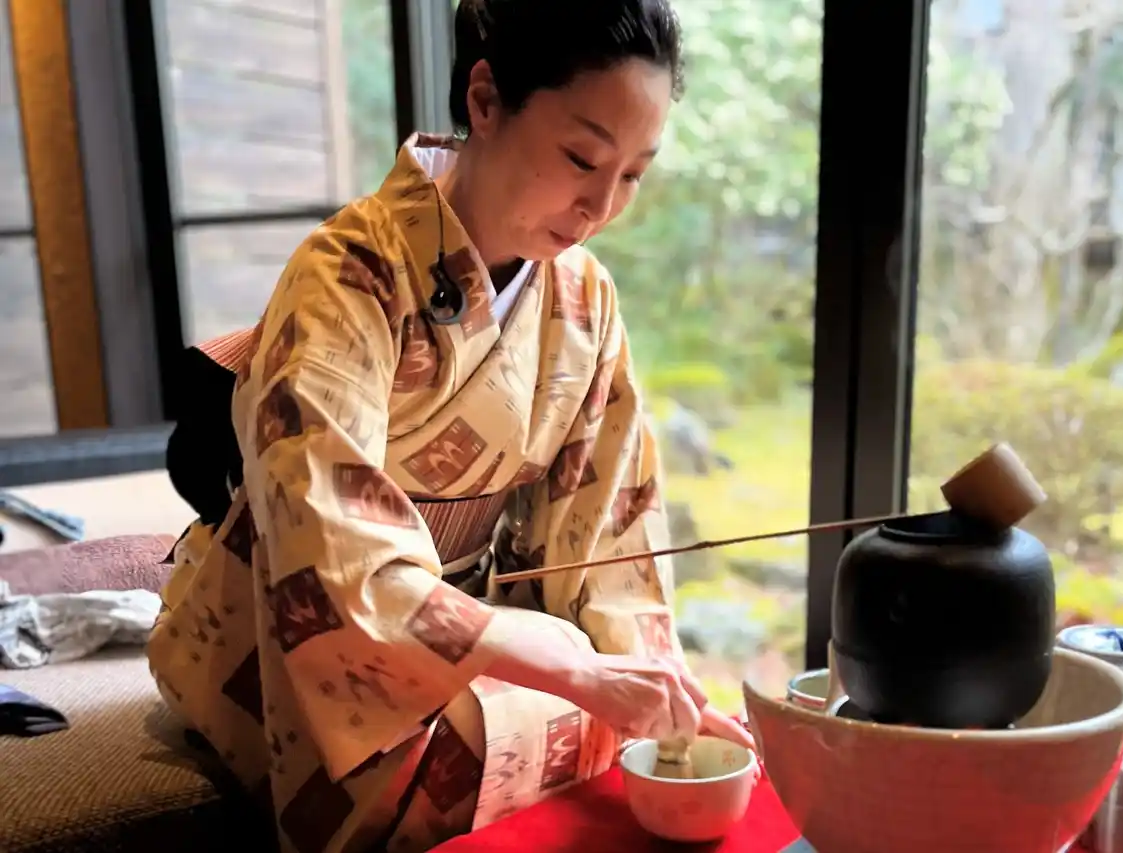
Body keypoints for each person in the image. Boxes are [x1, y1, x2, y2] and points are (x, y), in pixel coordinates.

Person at [146, 2, 754, 852]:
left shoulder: (584, 298)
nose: (599, 206)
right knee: (479, 753)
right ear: (485, 100)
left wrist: (661, 691)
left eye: (632, 175)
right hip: (303, 633)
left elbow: (609, 531)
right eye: (582, 159)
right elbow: (333, 554)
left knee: (621, 727)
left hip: (467, 618)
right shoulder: (346, 274)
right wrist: (564, 663)